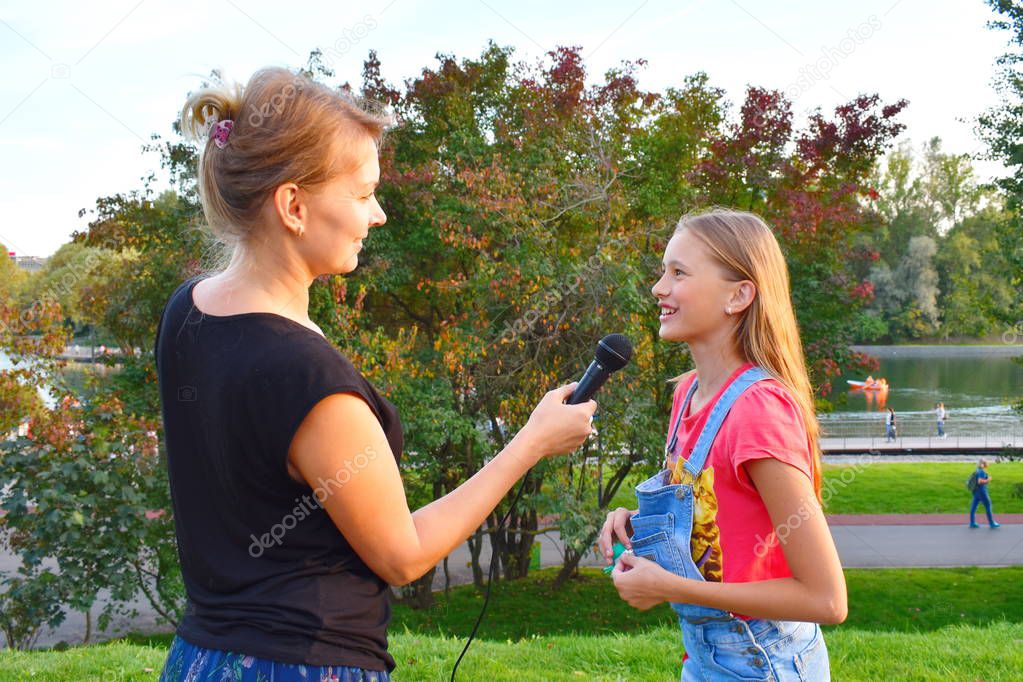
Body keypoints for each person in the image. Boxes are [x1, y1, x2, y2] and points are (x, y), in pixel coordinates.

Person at [154, 68, 597, 681]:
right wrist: (532, 443)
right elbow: (402, 555)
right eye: (363, 194)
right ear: (294, 205)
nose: (379, 214)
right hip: (300, 667)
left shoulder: (188, 309)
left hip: (197, 660)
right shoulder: (306, 376)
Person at [597, 209, 846, 681]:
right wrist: (637, 524)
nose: (658, 288)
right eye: (662, 271)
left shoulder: (758, 413)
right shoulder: (687, 394)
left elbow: (826, 599)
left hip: (764, 663)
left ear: (739, 295)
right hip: (705, 658)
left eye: (678, 273)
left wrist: (673, 588)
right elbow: (716, 517)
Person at [969, 458, 1001, 529]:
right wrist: (988, 479)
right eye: (986, 462)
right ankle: (992, 523)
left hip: (976, 491)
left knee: (974, 506)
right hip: (982, 491)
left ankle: (972, 523)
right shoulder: (981, 472)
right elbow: (980, 481)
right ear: (983, 464)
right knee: (988, 505)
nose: (987, 463)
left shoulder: (977, 470)